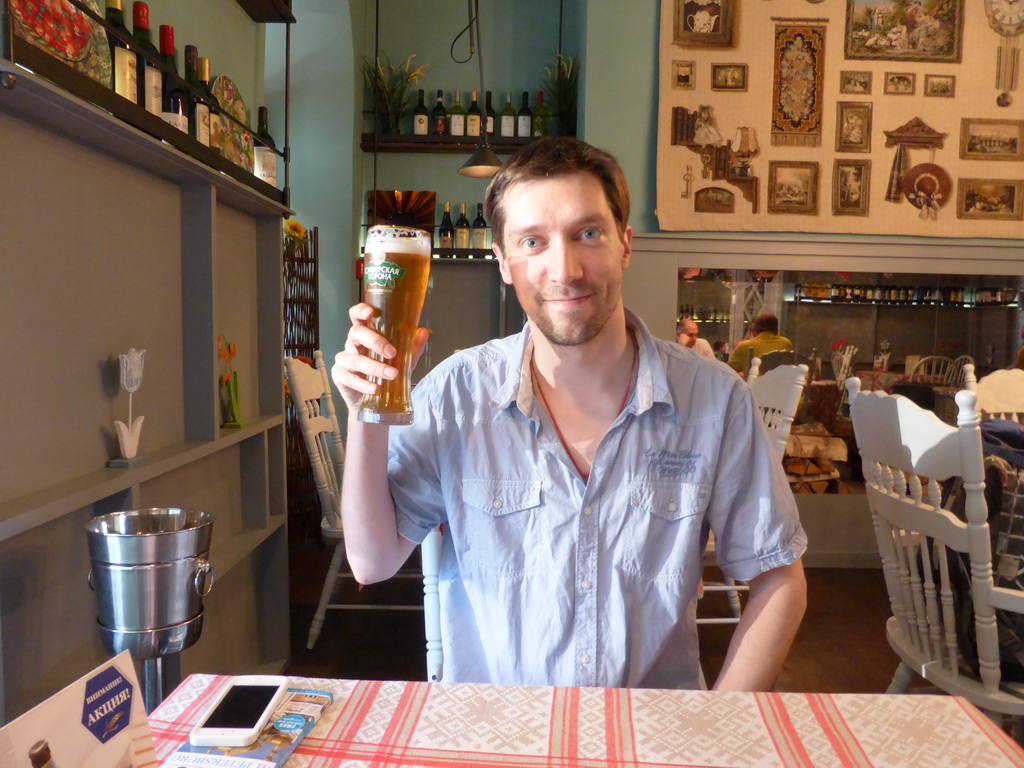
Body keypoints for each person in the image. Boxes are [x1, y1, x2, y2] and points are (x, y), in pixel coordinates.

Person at [332, 137, 806, 692]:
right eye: (532, 241)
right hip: (499, 738)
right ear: (504, 264)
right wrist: (368, 414)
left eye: (588, 234)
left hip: (648, 736)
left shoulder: (714, 399)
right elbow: (371, 561)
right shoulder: (455, 395)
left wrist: (713, 729)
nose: (565, 268)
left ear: (625, 245)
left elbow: (779, 579)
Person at [727, 313, 793, 375]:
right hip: (782, 386)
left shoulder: (744, 346)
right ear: (776, 331)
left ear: (753, 332)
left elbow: (727, 371)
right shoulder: (786, 343)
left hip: (753, 386)